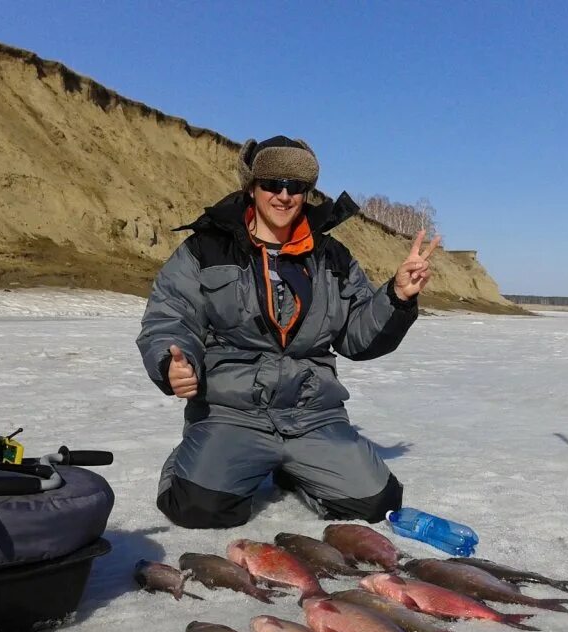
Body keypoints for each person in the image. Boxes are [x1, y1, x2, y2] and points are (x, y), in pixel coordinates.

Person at [137, 135, 438, 528]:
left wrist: (397, 296)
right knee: (197, 507)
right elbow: (169, 317)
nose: (284, 195)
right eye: (272, 184)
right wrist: (171, 362)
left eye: (296, 187)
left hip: (312, 415)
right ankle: (194, 457)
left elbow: (357, 336)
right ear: (251, 187)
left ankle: (294, 469)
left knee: (377, 503)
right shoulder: (204, 250)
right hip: (232, 412)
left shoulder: (333, 257)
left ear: (306, 193)